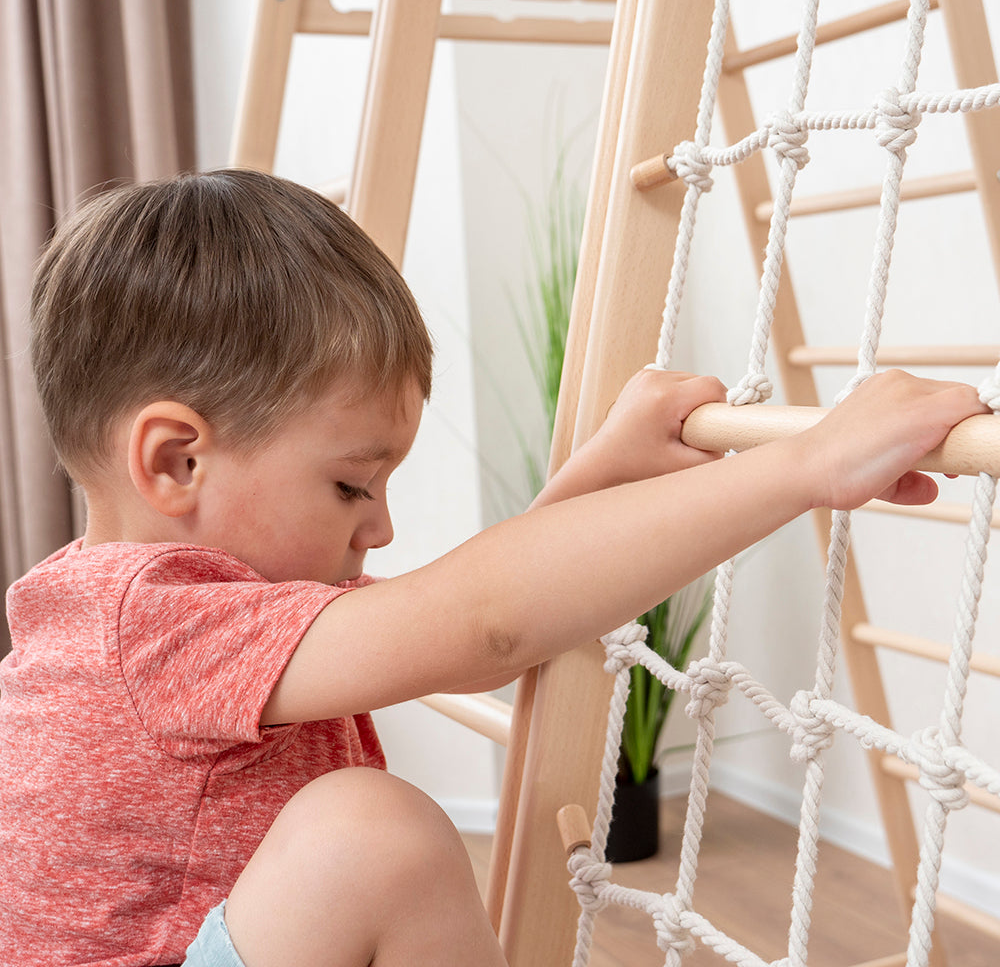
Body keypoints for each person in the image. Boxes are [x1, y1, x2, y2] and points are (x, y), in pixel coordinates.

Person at [0, 169, 986, 967]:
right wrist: (806, 464)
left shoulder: (162, 615)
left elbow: (465, 647)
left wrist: (601, 473)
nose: (378, 529)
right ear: (176, 460)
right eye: (351, 487)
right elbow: (482, 622)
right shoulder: (150, 622)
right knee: (372, 836)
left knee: (366, 833)